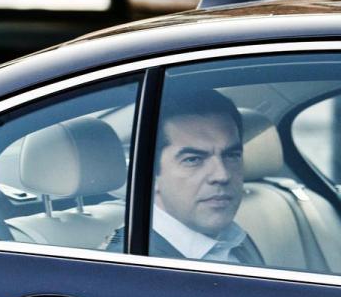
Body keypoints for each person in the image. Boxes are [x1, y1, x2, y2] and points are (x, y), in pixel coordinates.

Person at [108, 89, 264, 266]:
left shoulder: (233, 237)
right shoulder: (131, 264)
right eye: (193, 159)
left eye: (231, 155)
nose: (222, 175)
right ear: (149, 174)